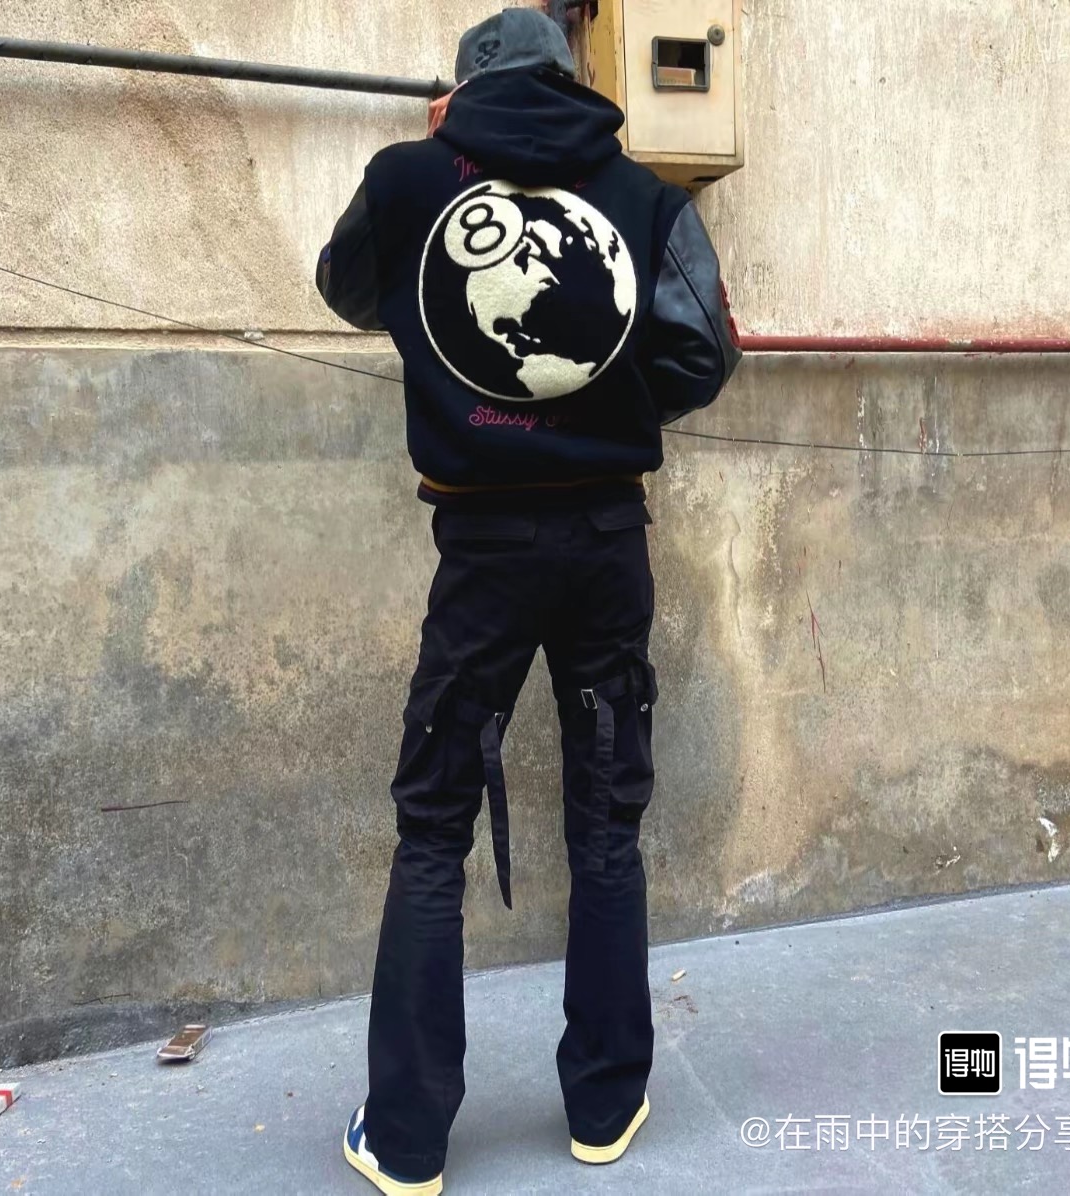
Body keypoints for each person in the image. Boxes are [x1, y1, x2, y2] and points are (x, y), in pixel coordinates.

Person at [317, 10, 740, 1194]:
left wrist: (434, 164)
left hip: (484, 552)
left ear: (461, 92)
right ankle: (605, 1103)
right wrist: (606, 404)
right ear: (571, 78)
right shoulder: (643, 196)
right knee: (607, 818)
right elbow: (705, 353)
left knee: (432, 823)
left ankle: (407, 1137)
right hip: (605, 541)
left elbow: (347, 288)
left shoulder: (408, 181)